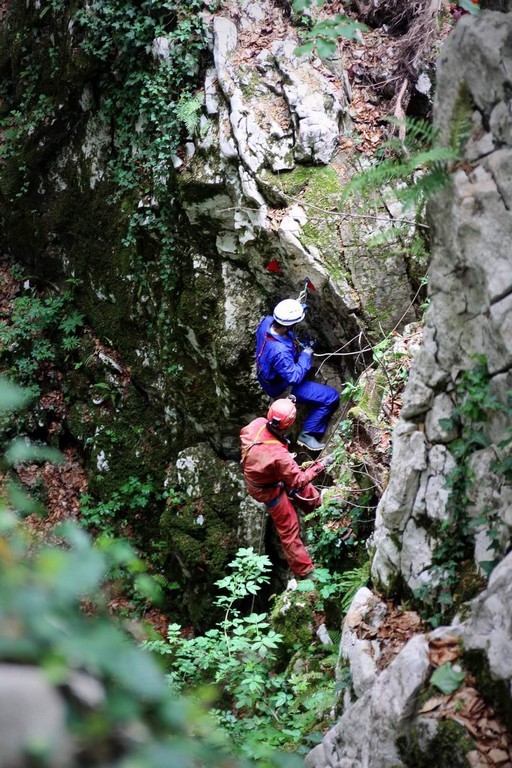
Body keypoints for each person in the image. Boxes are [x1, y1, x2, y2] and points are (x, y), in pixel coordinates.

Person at [240, 397, 334, 578]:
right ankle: (306, 572)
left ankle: (320, 508)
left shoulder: (257, 424)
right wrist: (321, 465)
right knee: (289, 529)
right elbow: (298, 480)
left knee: (300, 488)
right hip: (267, 489)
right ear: (287, 426)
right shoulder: (279, 455)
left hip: (265, 476)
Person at [255, 298, 339, 451]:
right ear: (290, 324)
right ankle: (307, 434)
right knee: (331, 397)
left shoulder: (266, 322)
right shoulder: (280, 352)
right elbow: (294, 377)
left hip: (267, 378)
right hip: (283, 387)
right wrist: (306, 354)